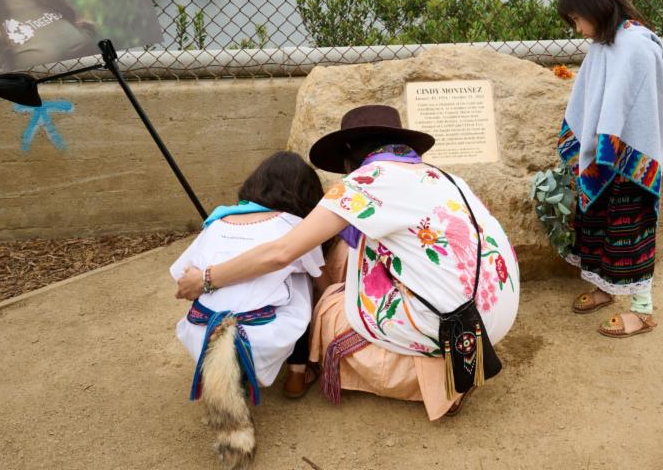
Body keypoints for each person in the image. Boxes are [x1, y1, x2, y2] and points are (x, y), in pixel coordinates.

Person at [176, 104, 520, 420]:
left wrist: (207, 278)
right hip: (493, 314)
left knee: (329, 310)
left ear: (347, 158)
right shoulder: (441, 176)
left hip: (450, 327)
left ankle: (434, 383)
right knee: (355, 252)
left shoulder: (364, 183)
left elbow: (282, 252)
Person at [169, 151, 326, 467]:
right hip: (262, 334)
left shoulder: (217, 221)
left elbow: (181, 278)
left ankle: (230, 378)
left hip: (201, 335)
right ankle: (297, 372)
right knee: (306, 279)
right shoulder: (294, 224)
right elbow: (319, 278)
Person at [556, 0, 663, 338]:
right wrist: (588, 145)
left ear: (596, 7)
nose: (577, 28)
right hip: (605, 158)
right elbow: (588, 99)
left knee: (630, 231)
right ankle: (607, 288)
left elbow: (643, 109)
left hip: (630, 162)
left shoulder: (638, 46)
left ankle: (644, 310)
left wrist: (615, 146)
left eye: (577, 18)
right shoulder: (604, 45)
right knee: (600, 227)